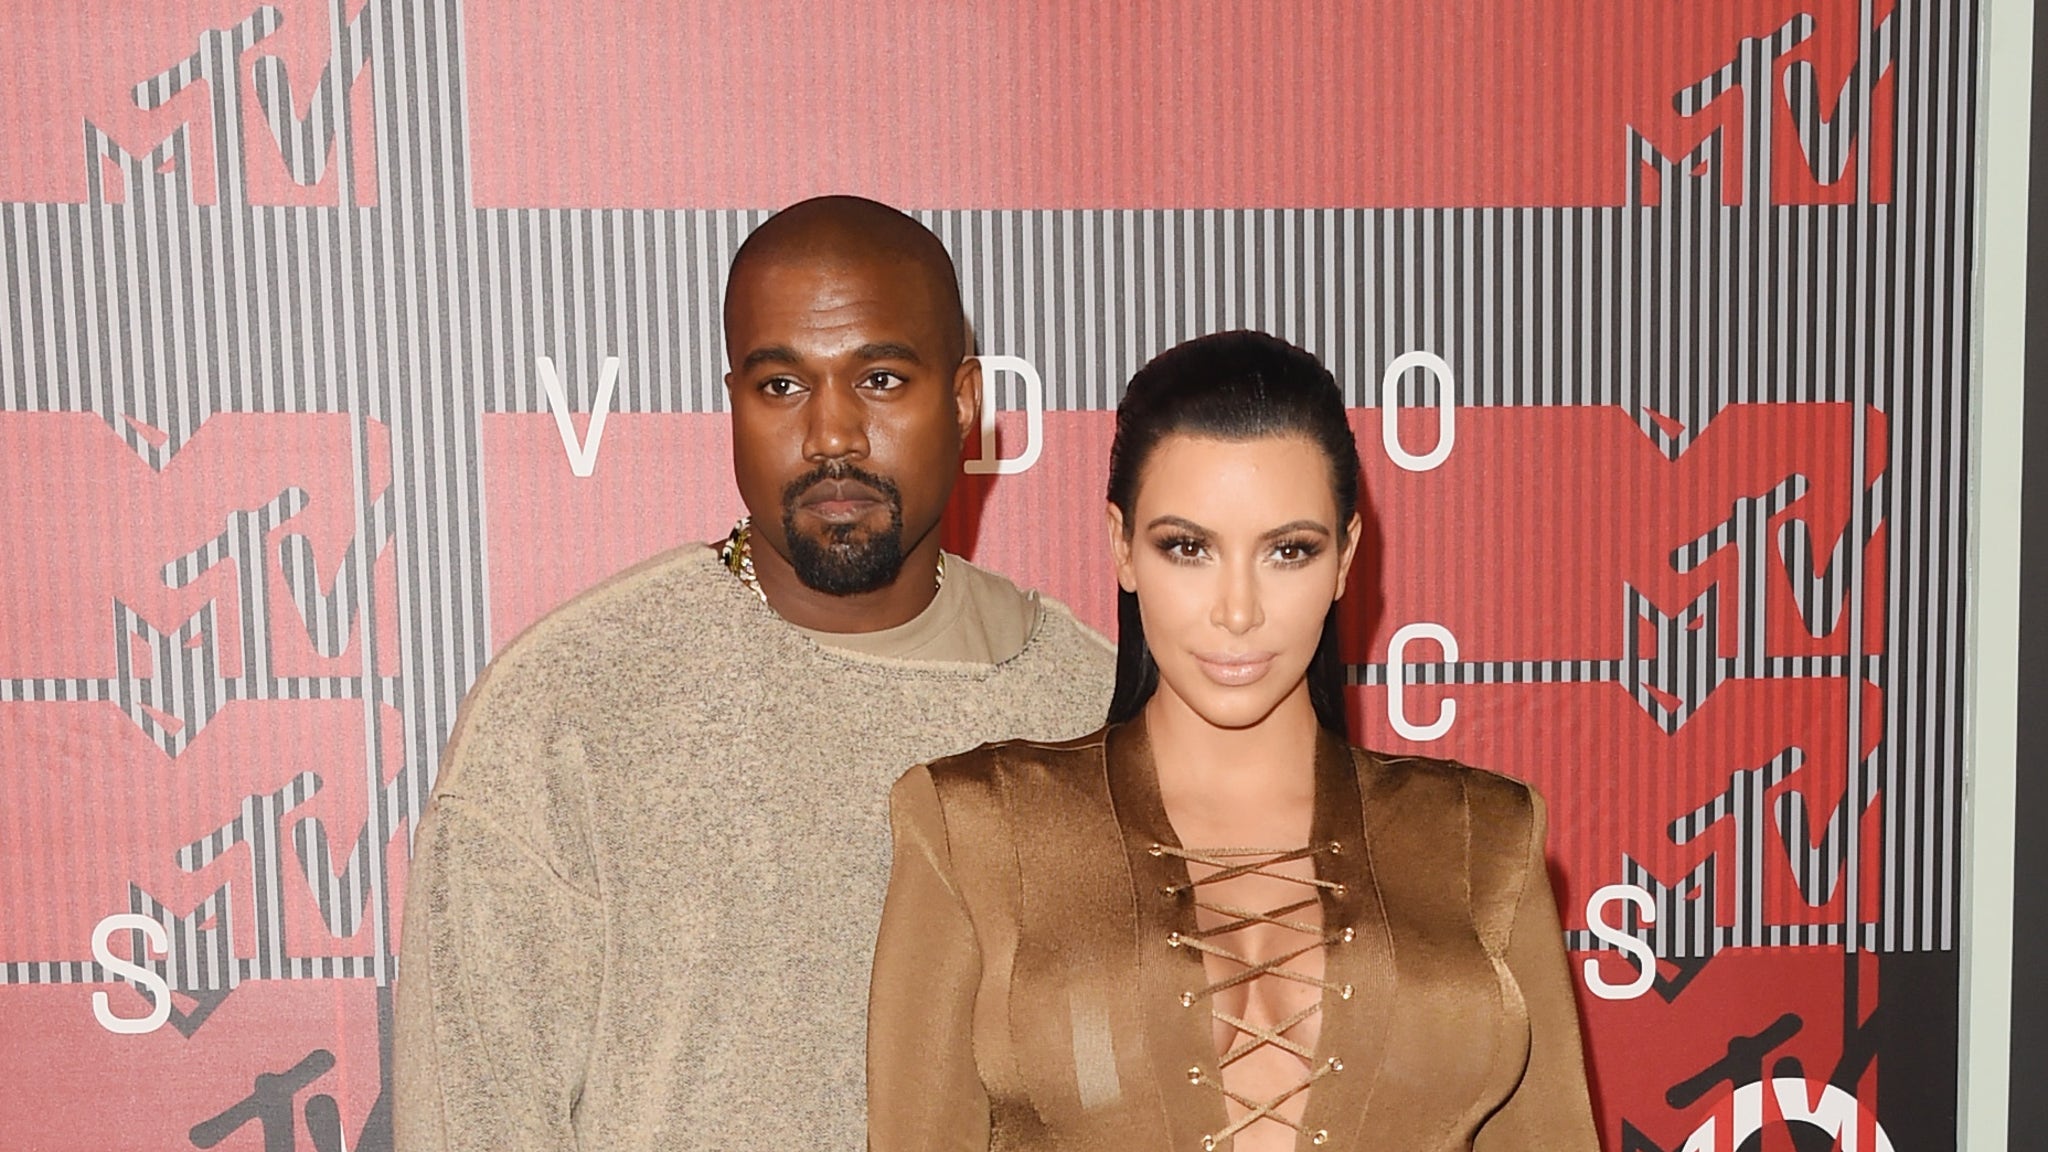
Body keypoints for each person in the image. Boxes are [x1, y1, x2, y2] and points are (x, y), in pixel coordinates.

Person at [393, 196, 1115, 1151]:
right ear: (732, 402)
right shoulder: (571, 703)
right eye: (781, 385)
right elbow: (471, 1115)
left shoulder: (1092, 709)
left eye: (882, 379)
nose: (831, 434)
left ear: (964, 400)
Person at [868, 331, 1598, 1152]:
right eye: (1189, 547)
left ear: (1345, 557)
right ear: (1122, 547)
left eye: (1289, 551)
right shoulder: (977, 831)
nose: (1238, 610)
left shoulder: (1482, 838)